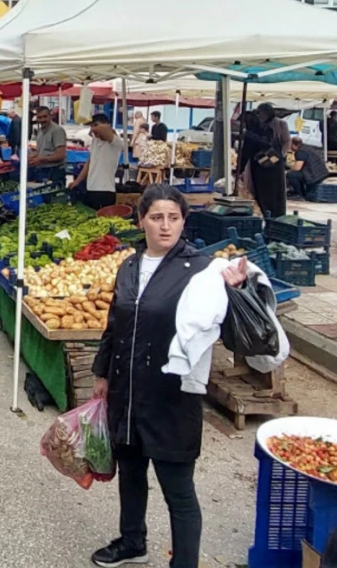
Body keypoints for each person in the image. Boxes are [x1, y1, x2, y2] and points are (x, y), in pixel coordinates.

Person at [89, 185, 249, 568]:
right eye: (156, 217)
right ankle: (133, 542)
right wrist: (101, 372)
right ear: (141, 219)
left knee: (178, 491)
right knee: (130, 473)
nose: (165, 226)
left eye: (173, 218)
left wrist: (238, 290)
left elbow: (228, 323)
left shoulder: (202, 271)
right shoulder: (129, 265)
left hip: (171, 397)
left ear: (183, 220)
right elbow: (115, 322)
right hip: (127, 390)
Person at [70, 113, 126, 210]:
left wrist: (94, 128)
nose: (93, 130)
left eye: (96, 125)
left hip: (105, 190)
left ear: (107, 125)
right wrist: (77, 181)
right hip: (91, 188)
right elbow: (89, 163)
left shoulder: (116, 141)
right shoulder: (95, 141)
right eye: (91, 126)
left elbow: (104, 130)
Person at [252, 103, 290, 219]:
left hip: (276, 162)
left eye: (261, 112)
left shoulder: (281, 123)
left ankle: (276, 213)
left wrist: (280, 156)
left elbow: (286, 141)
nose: (260, 115)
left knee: (275, 190)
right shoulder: (259, 125)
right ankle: (265, 210)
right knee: (263, 190)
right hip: (261, 163)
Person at [30, 105, 68, 182]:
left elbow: (61, 155)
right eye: (39, 117)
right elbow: (43, 150)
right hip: (43, 170)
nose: (42, 119)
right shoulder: (40, 130)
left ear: (50, 116)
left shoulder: (57, 130)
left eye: (45, 116)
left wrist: (40, 159)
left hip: (55, 171)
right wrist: (34, 156)